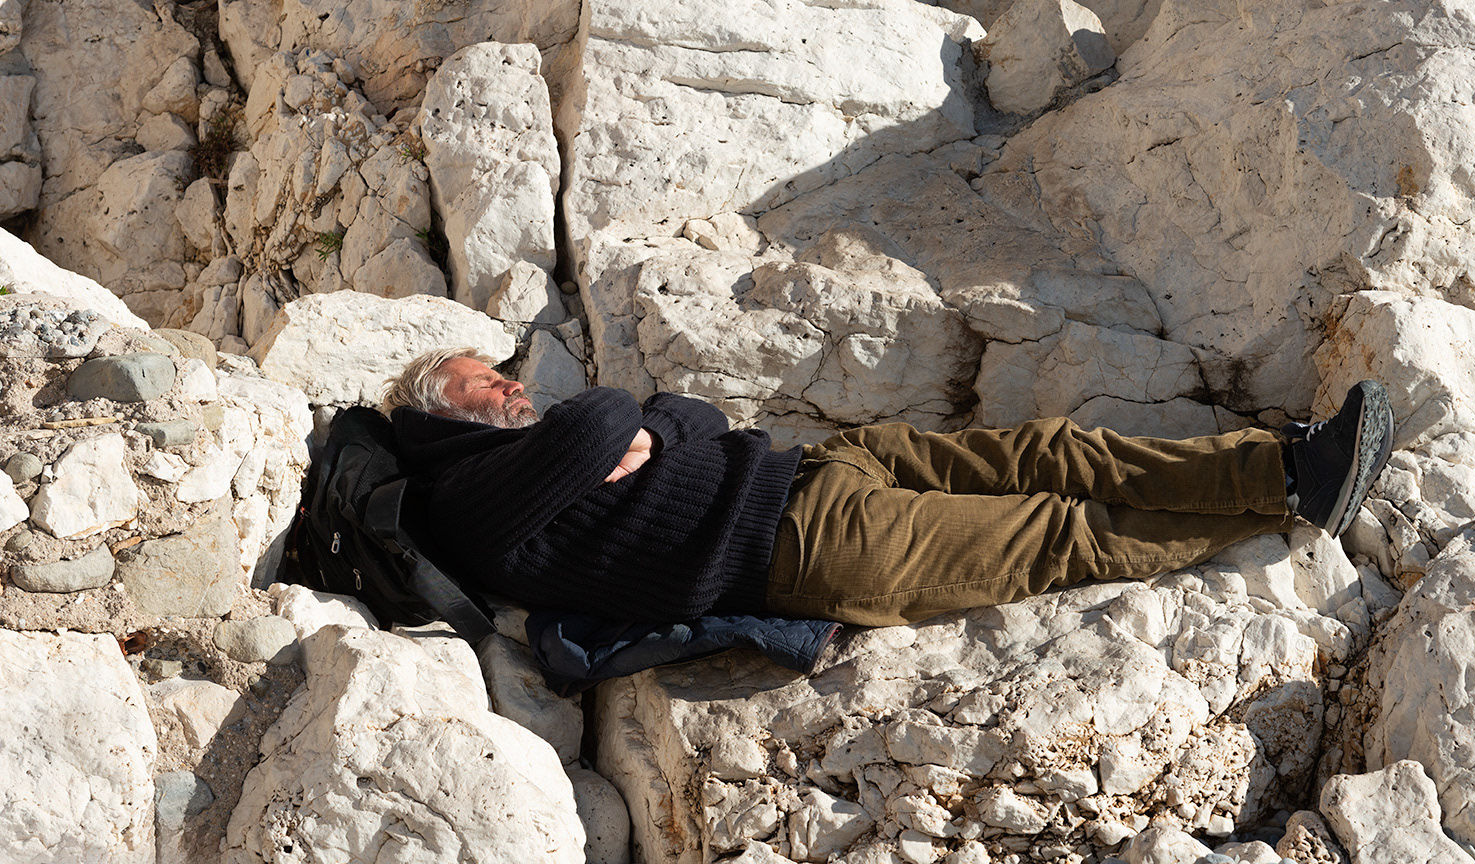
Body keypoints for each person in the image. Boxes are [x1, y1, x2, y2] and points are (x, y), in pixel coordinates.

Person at [382, 349, 1394, 627]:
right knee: (1060, 533)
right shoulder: (462, 502)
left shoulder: (513, 466)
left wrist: (649, 429)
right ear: (438, 412)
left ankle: (1281, 463)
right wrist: (627, 427)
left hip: (820, 468)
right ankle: (1291, 500)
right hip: (810, 551)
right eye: (484, 380)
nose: (511, 385)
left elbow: (683, 410)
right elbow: (601, 415)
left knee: (1051, 448)